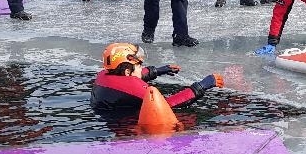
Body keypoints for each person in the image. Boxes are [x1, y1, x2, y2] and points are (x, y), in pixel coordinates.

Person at [90, 42, 221, 113]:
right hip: (131, 129)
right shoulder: (131, 85)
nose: (142, 67)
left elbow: (137, 75)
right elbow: (167, 104)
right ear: (127, 72)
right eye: (139, 65)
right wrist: (202, 85)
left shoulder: (104, 75)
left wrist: (157, 71)